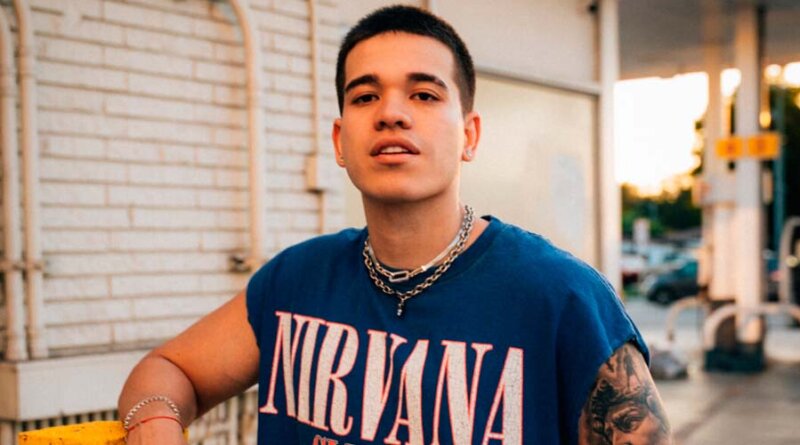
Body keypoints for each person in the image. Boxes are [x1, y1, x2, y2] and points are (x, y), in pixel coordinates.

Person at [119, 5, 671, 445]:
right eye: (365, 96)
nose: (391, 112)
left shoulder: (560, 297)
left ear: (470, 135)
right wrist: (156, 424)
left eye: (424, 94)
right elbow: (168, 369)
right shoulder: (296, 281)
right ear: (340, 141)